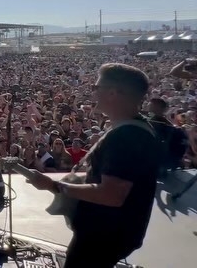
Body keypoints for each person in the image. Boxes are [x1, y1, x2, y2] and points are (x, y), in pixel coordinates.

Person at [27, 63, 159, 268]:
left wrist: (54, 186)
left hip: (103, 236)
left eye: (96, 87)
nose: (92, 92)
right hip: (112, 232)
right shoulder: (137, 128)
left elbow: (111, 195)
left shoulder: (126, 136)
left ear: (113, 93)